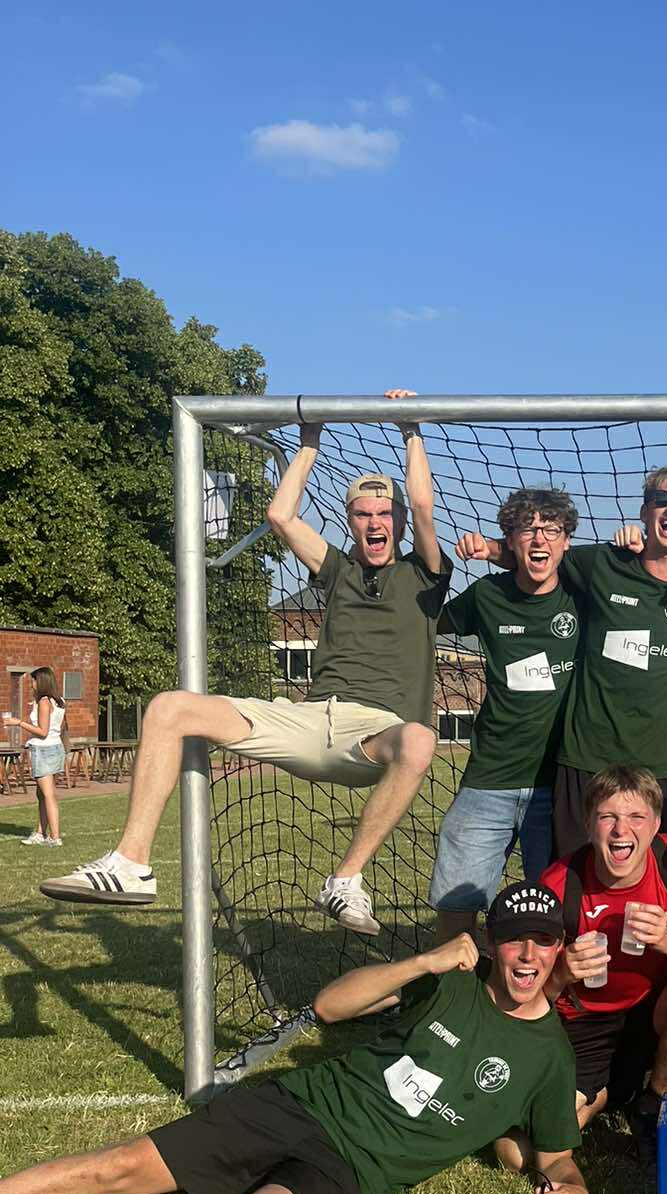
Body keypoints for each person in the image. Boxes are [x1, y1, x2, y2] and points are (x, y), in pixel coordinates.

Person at [0, 882, 589, 1194]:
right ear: (492, 940)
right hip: (301, 1105)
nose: (528, 956)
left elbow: (556, 1157)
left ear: (560, 948)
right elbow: (330, 1008)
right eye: (515, 942)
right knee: (120, 1164)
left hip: (352, 1170)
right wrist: (423, 960)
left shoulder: (549, 1056)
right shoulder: (448, 983)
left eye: (543, 941)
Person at [42, 391, 450, 935]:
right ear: (351, 520)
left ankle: (345, 881)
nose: (375, 522)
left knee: (421, 740)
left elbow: (424, 506)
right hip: (310, 719)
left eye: (385, 513)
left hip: (375, 734)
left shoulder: (425, 574)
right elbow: (280, 515)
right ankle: (131, 863)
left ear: (398, 522)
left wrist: (411, 428)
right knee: (168, 709)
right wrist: (309, 439)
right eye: (363, 513)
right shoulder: (336, 570)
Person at [549, 465, 667, 854]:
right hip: (586, 758)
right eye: (661, 501)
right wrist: (486, 549)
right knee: (572, 887)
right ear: (644, 512)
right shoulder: (605, 563)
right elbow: (536, 560)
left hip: (660, 769)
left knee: (661, 891)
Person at [541, 765, 667, 1132]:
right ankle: (613, 1090)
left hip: (654, 1010)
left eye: (636, 817)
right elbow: (531, 995)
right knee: (554, 1130)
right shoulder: (560, 883)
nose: (620, 830)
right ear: (588, 824)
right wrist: (562, 971)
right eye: (607, 816)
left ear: (656, 823)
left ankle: (655, 1102)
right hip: (584, 1020)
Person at [427, 486, 580, 938]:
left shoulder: (583, 595)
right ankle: (453, 989)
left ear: (567, 541)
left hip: (559, 783)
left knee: (554, 907)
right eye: (526, 531)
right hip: (489, 778)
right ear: (509, 541)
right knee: (457, 898)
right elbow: (421, 625)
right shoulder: (486, 595)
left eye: (551, 531)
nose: (540, 540)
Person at [4, 668, 66, 848]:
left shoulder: (44, 702)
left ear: (42, 682)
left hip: (44, 751)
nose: (31, 684)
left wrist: (19, 723)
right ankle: (40, 833)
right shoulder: (59, 701)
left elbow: (43, 732)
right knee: (42, 795)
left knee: (48, 795)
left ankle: (55, 837)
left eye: (33, 681)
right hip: (55, 748)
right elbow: (58, 729)